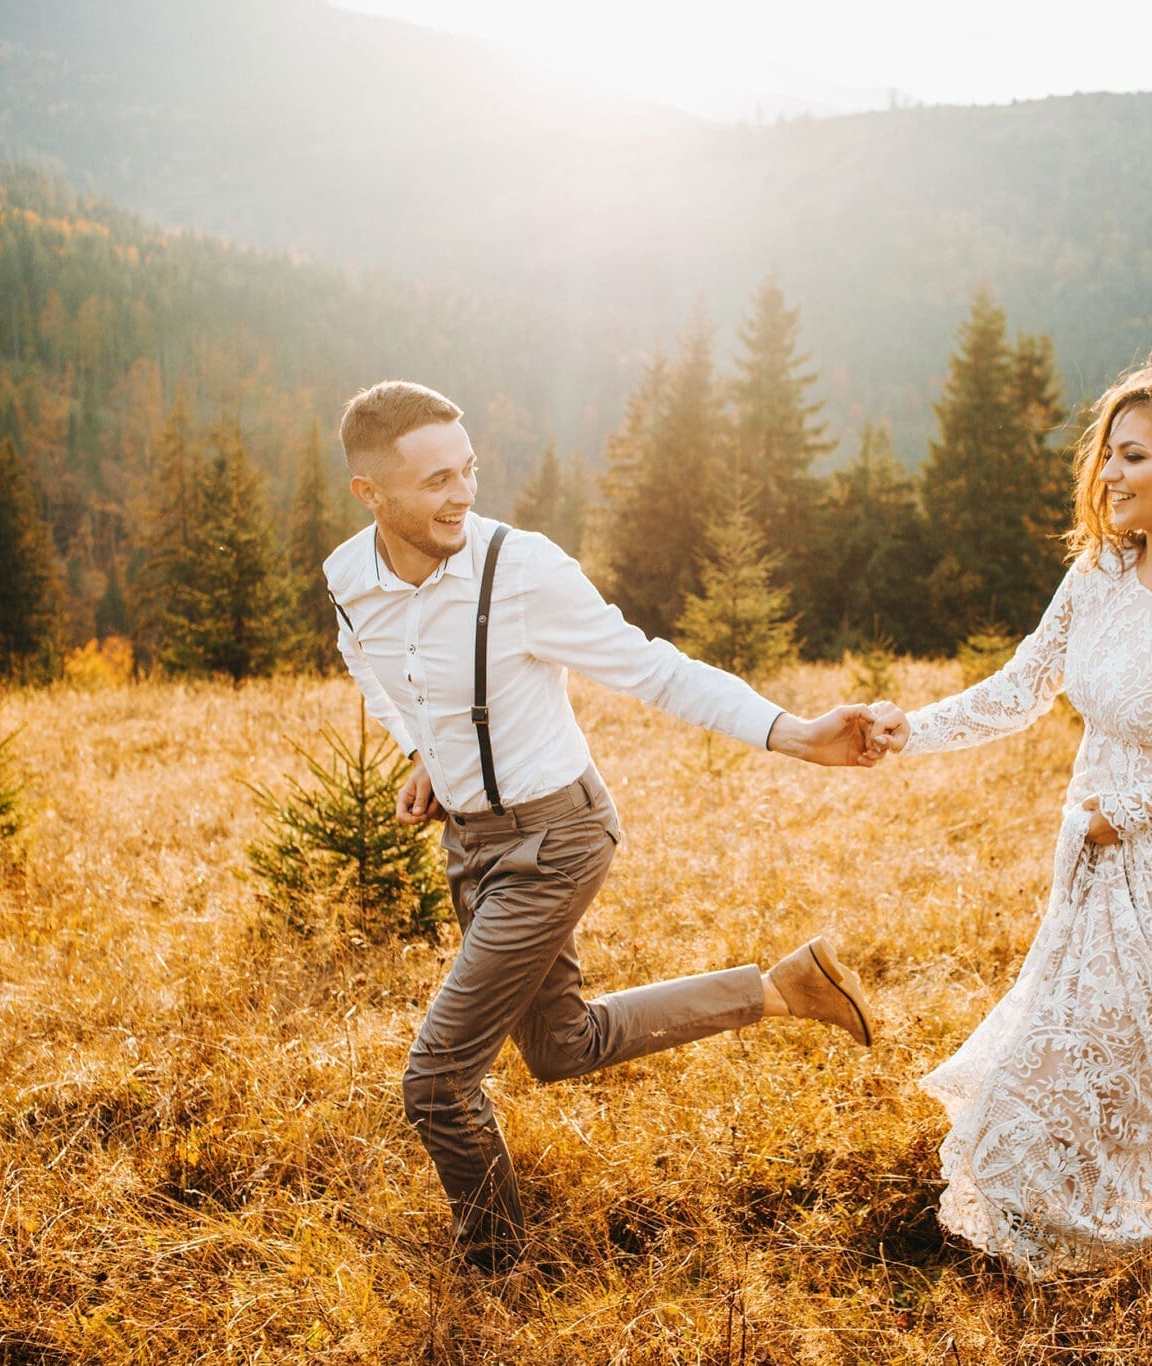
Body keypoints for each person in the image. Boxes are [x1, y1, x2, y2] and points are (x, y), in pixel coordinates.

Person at [324, 381, 883, 1272]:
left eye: (467, 471)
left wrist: (795, 734)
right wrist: (424, 749)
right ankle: (782, 989)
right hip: (469, 844)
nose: (462, 495)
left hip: (558, 838)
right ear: (371, 495)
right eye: (435, 481)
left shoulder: (524, 571)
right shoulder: (350, 578)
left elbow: (655, 671)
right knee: (558, 1047)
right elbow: (370, 661)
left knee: (436, 1081)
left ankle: (496, 1271)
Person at [866, 360, 1152, 1278]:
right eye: (1107, 456)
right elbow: (1022, 689)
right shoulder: (1100, 574)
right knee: (1100, 1062)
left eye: (1134, 456)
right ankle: (1078, 1247)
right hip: (1083, 860)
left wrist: (1134, 808)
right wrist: (905, 730)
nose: (1109, 476)